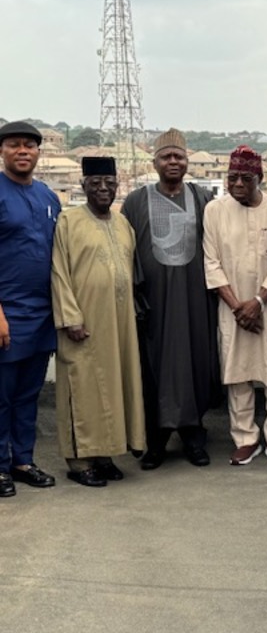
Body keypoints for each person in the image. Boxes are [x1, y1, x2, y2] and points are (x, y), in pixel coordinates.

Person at [122, 128, 221, 470]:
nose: (173, 161)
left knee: (196, 363)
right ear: (155, 162)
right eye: (166, 156)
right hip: (154, 303)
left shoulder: (203, 198)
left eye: (179, 156)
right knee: (154, 367)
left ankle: (193, 435)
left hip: (195, 302)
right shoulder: (136, 201)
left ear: (187, 161)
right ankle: (157, 440)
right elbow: (125, 251)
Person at [51, 157, 145, 487]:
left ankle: (105, 454)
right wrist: (70, 317)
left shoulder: (122, 224)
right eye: (95, 183)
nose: (103, 188)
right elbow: (59, 272)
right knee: (83, 386)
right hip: (83, 322)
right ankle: (79, 461)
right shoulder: (69, 221)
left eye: (109, 182)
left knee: (114, 386)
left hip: (119, 323)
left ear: (118, 186)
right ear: (84, 186)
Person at [203, 146, 267, 466]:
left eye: (245, 178)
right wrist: (238, 308)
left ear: (260, 178)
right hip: (232, 309)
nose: (238, 184)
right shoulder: (214, 211)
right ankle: (245, 438)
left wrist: (257, 302)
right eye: (232, 178)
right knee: (237, 374)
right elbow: (211, 263)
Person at [0, 121, 59, 498]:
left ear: (39, 152)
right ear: (2, 151)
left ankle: (22, 460)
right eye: (14, 145)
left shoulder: (48, 197)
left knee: (27, 394)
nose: (23, 151)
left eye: (30, 145)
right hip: (7, 314)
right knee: (2, 396)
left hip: (43, 315)